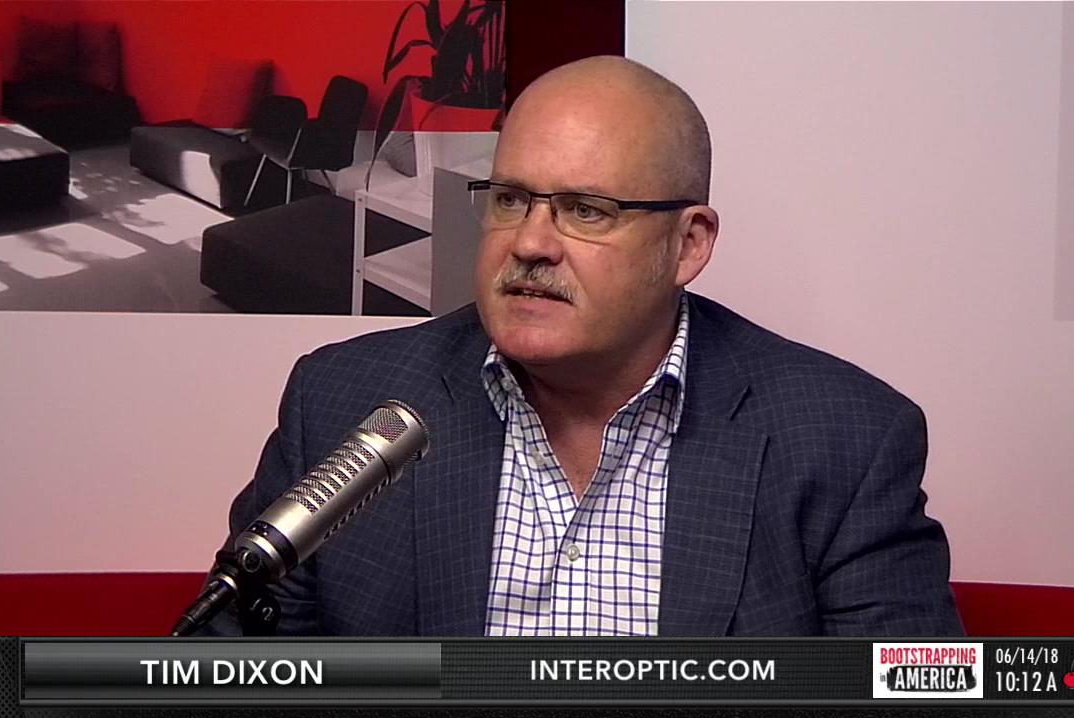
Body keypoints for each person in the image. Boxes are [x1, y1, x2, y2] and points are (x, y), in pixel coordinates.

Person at [200, 56, 963, 636]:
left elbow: (905, 700)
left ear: (688, 244)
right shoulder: (346, 402)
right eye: (510, 200)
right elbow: (238, 679)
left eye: (587, 210)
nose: (530, 243)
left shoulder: (844, 439)